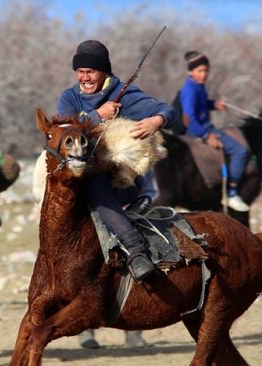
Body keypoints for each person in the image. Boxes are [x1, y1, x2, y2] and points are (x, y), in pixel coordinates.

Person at [58, 39, 177, 348]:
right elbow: (63, 130)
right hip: (77, 177)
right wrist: (97, 116)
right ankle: (82, 323)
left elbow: (166, 110)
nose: (84, 78)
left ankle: (137, 264)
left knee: (102, 187)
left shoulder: (125, 93)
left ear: (104, 72)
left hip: (117, 180)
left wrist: (155, 120)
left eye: (90, 72)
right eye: (80, 71)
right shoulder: (68, 97)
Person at [178, 51, 254, 212]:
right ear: (190, 72)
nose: (204, 74)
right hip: (199, 130)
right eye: (200, 71)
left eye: (206, 71)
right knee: (240, 150)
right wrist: (206, 136)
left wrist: (213, 104)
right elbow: (188, 118)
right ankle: (232, 193)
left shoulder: (198, 86)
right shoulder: (190, 90)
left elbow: (202, 104)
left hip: (205, 127)